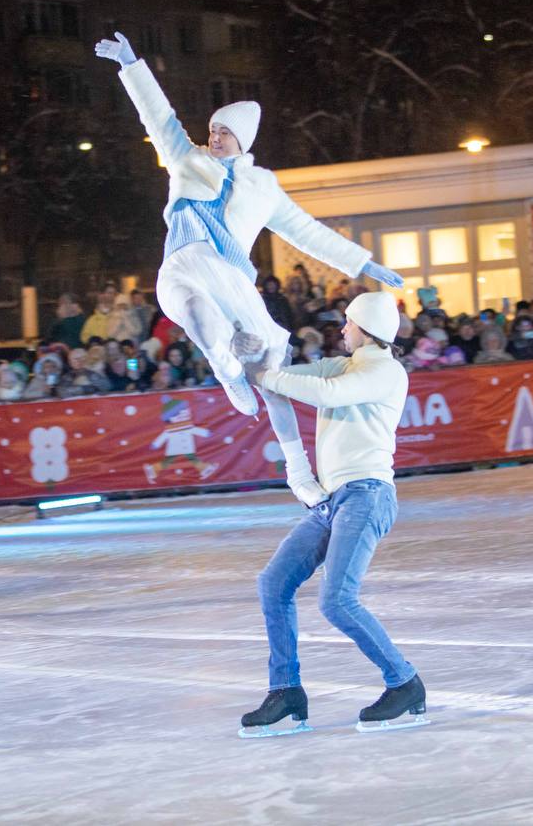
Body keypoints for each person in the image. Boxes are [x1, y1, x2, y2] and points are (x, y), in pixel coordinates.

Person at [96, 31, 403, 507]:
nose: (214, 136)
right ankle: (225, 370)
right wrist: (130, 64)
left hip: (231, 276)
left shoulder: (263, 187)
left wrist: (364, 263)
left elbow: (306, 231)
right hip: (183, 262)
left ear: (242, 139)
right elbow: (158, 117)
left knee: (269, 368)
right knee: (196, 315)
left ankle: (298, 472)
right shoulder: (186, 159)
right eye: (213, 129)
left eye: (223, 132)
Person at [235, 292, 425, 735]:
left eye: (348, 323)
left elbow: (324, 392)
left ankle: (404, 682)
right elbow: (280, 380)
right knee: (273, 584)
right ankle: (286, 691)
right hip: (332, 499)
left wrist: (267, 375)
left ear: (367, 327)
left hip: (367, 494)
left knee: (337, 599)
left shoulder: (385, 371)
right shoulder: (347, 365)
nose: (342, 329)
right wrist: (245, 360)